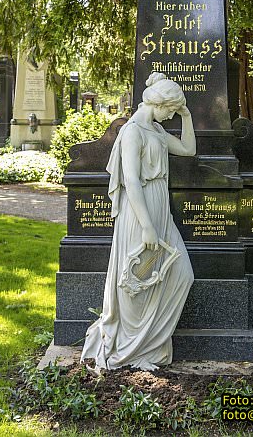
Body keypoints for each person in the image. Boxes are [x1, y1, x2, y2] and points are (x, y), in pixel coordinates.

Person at [81, 72, 195, 372]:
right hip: (139, 211)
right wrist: (146, 225)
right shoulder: (132, 132)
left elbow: (188, 149)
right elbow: (130, 180)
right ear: (159, 103)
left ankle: (150, 343)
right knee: (136, 282)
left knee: (182, 274)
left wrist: (186, 115)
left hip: (159, 206)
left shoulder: (155, 130)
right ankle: (130, 348)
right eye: (171, 109)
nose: (171, 115)